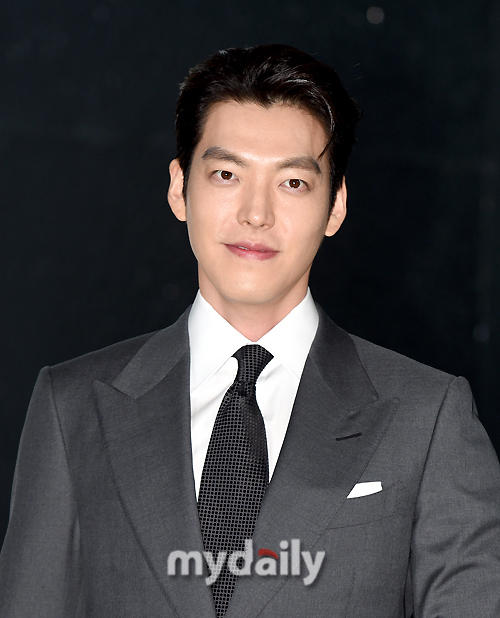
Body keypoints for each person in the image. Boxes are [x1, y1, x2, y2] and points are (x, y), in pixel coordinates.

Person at [1, 44, 500, 618]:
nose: (255, 214)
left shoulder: (428, 416)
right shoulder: (72, 407)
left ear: (335, 206)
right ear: (179, 188)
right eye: (226, 174)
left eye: (293, 183)